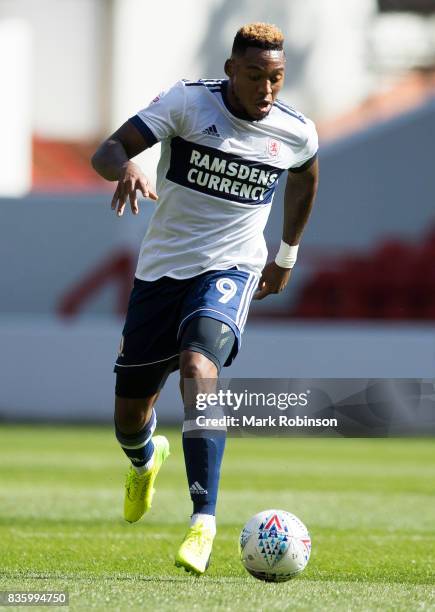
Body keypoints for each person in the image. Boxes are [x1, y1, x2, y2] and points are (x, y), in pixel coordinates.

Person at [91, 22, 319, 575]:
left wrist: (285, 255)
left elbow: (306, 177)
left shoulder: (295, 131)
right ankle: (145, 458)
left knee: (199, 365)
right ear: (230, 71)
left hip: (231, 268)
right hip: (162, 272)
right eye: (255, 75)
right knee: (128, 417)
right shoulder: (188, 103)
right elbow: (110, 148)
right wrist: (125, 166)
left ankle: (203, 520)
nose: (267, 89)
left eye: (277, 78)